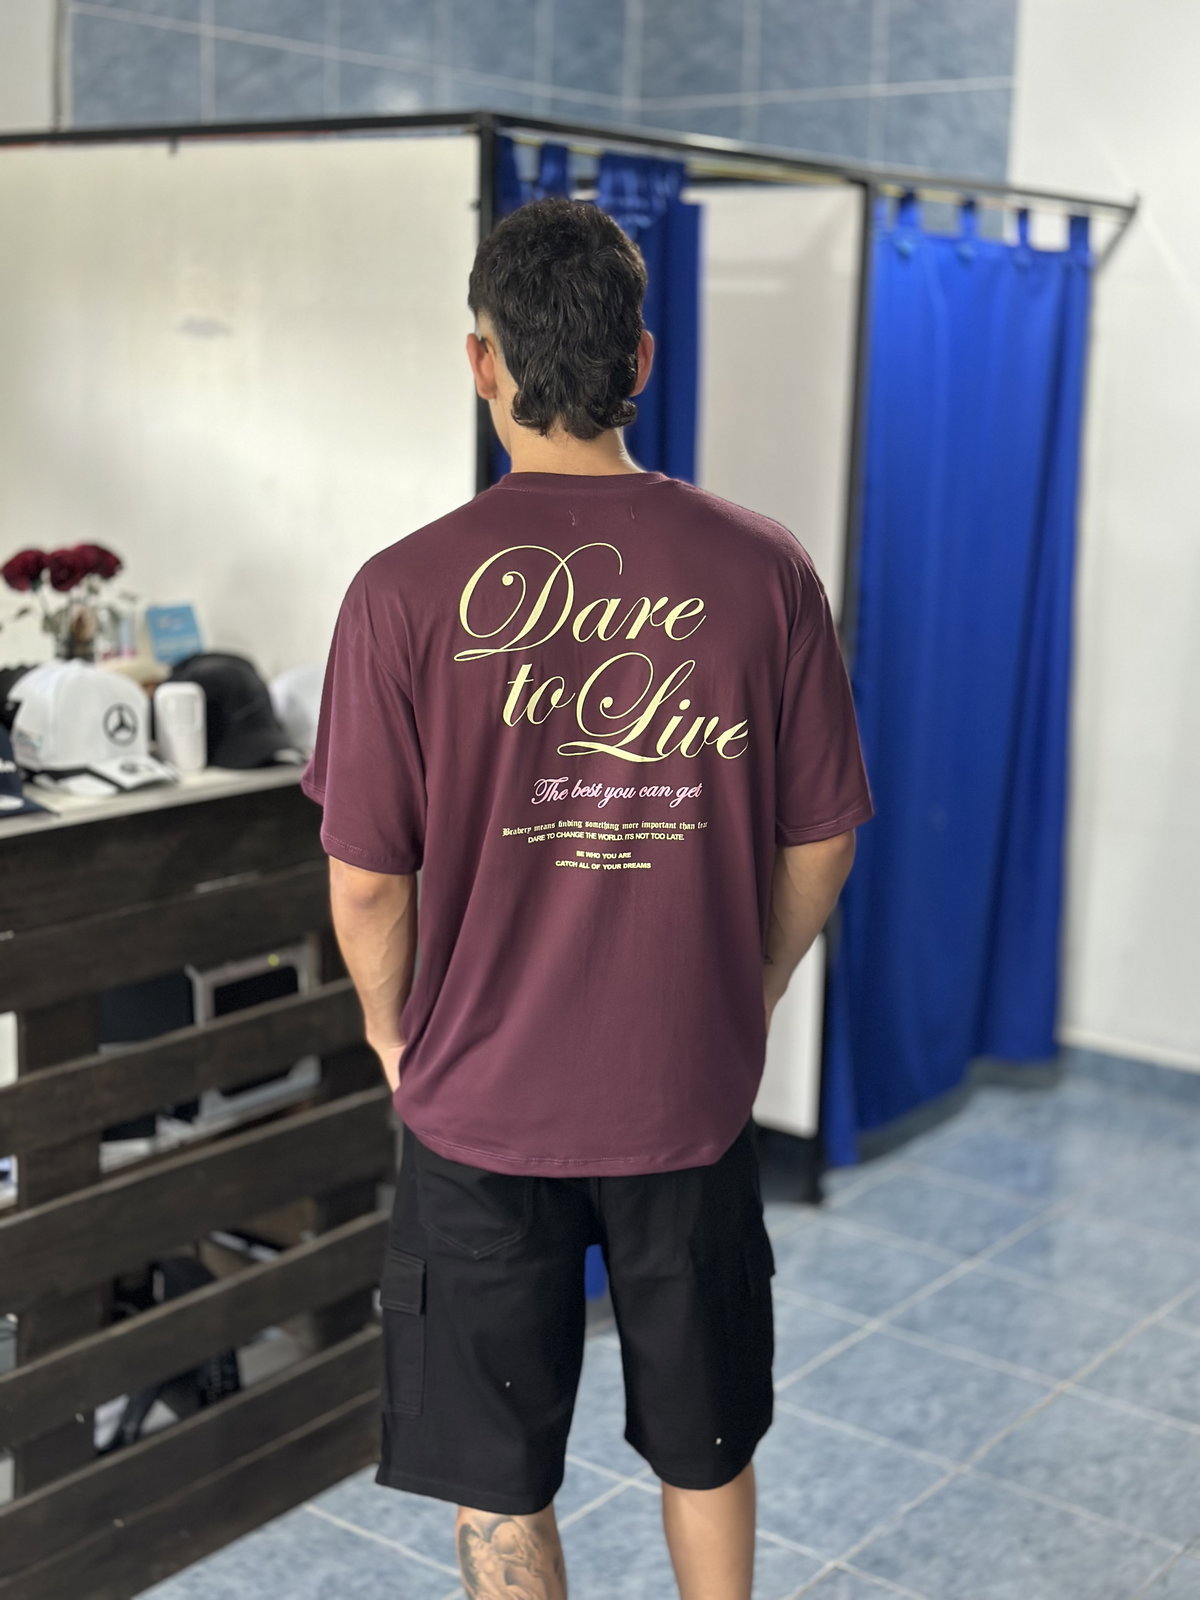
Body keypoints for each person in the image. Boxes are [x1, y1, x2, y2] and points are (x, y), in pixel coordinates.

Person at [301, 195, 874, 1600]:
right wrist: (749, 988)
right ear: (642, 358)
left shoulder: (398, 593)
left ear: (481, 362)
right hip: (687, 1085)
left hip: (478, 1102)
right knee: (706, 1438)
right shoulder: (766, 569)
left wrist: (390, 1034)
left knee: (495, 1468)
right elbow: (821, 842)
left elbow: (366, 882)